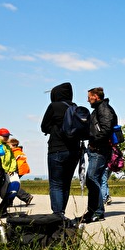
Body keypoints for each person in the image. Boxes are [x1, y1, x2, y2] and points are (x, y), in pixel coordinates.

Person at [41, 82, 83, 217]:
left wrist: (54, 129)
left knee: (56, 184)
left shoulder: (54, 106)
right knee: (66, 184)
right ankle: (62, 213)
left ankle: (58, 215)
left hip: (57, 149)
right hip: (75, 151)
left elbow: (43, 127)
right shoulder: (75, 108)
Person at [81, 87, 118, 224]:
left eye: (89, 97)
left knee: (92, 179)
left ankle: (97, 212)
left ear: (96, 96)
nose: (87, 99)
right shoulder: (98, 109)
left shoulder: (104, 109)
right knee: (91, 179)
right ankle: (91, 211)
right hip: (97, 150)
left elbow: (106, 129)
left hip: (99, 150)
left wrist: (94, 143)